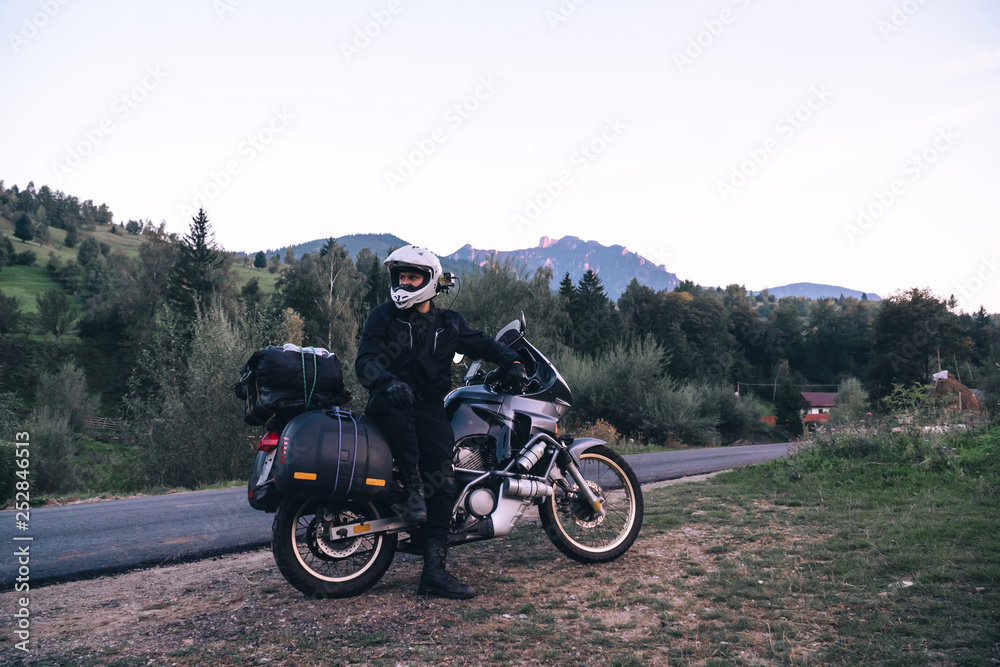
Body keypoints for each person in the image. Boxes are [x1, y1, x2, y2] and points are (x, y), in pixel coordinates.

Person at [355, 245, 526, 599]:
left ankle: (434, 573)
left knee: (445, 482)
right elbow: (365, 363)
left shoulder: (449, 322)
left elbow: (483, 344)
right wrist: (387, 382)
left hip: (430, 408)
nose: (404, 282)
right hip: (389, 402)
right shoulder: (382, 317)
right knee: (400, 406)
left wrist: (512, 360)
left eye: (412, 276)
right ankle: (415, 492)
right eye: (401, 276)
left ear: (430, 280)